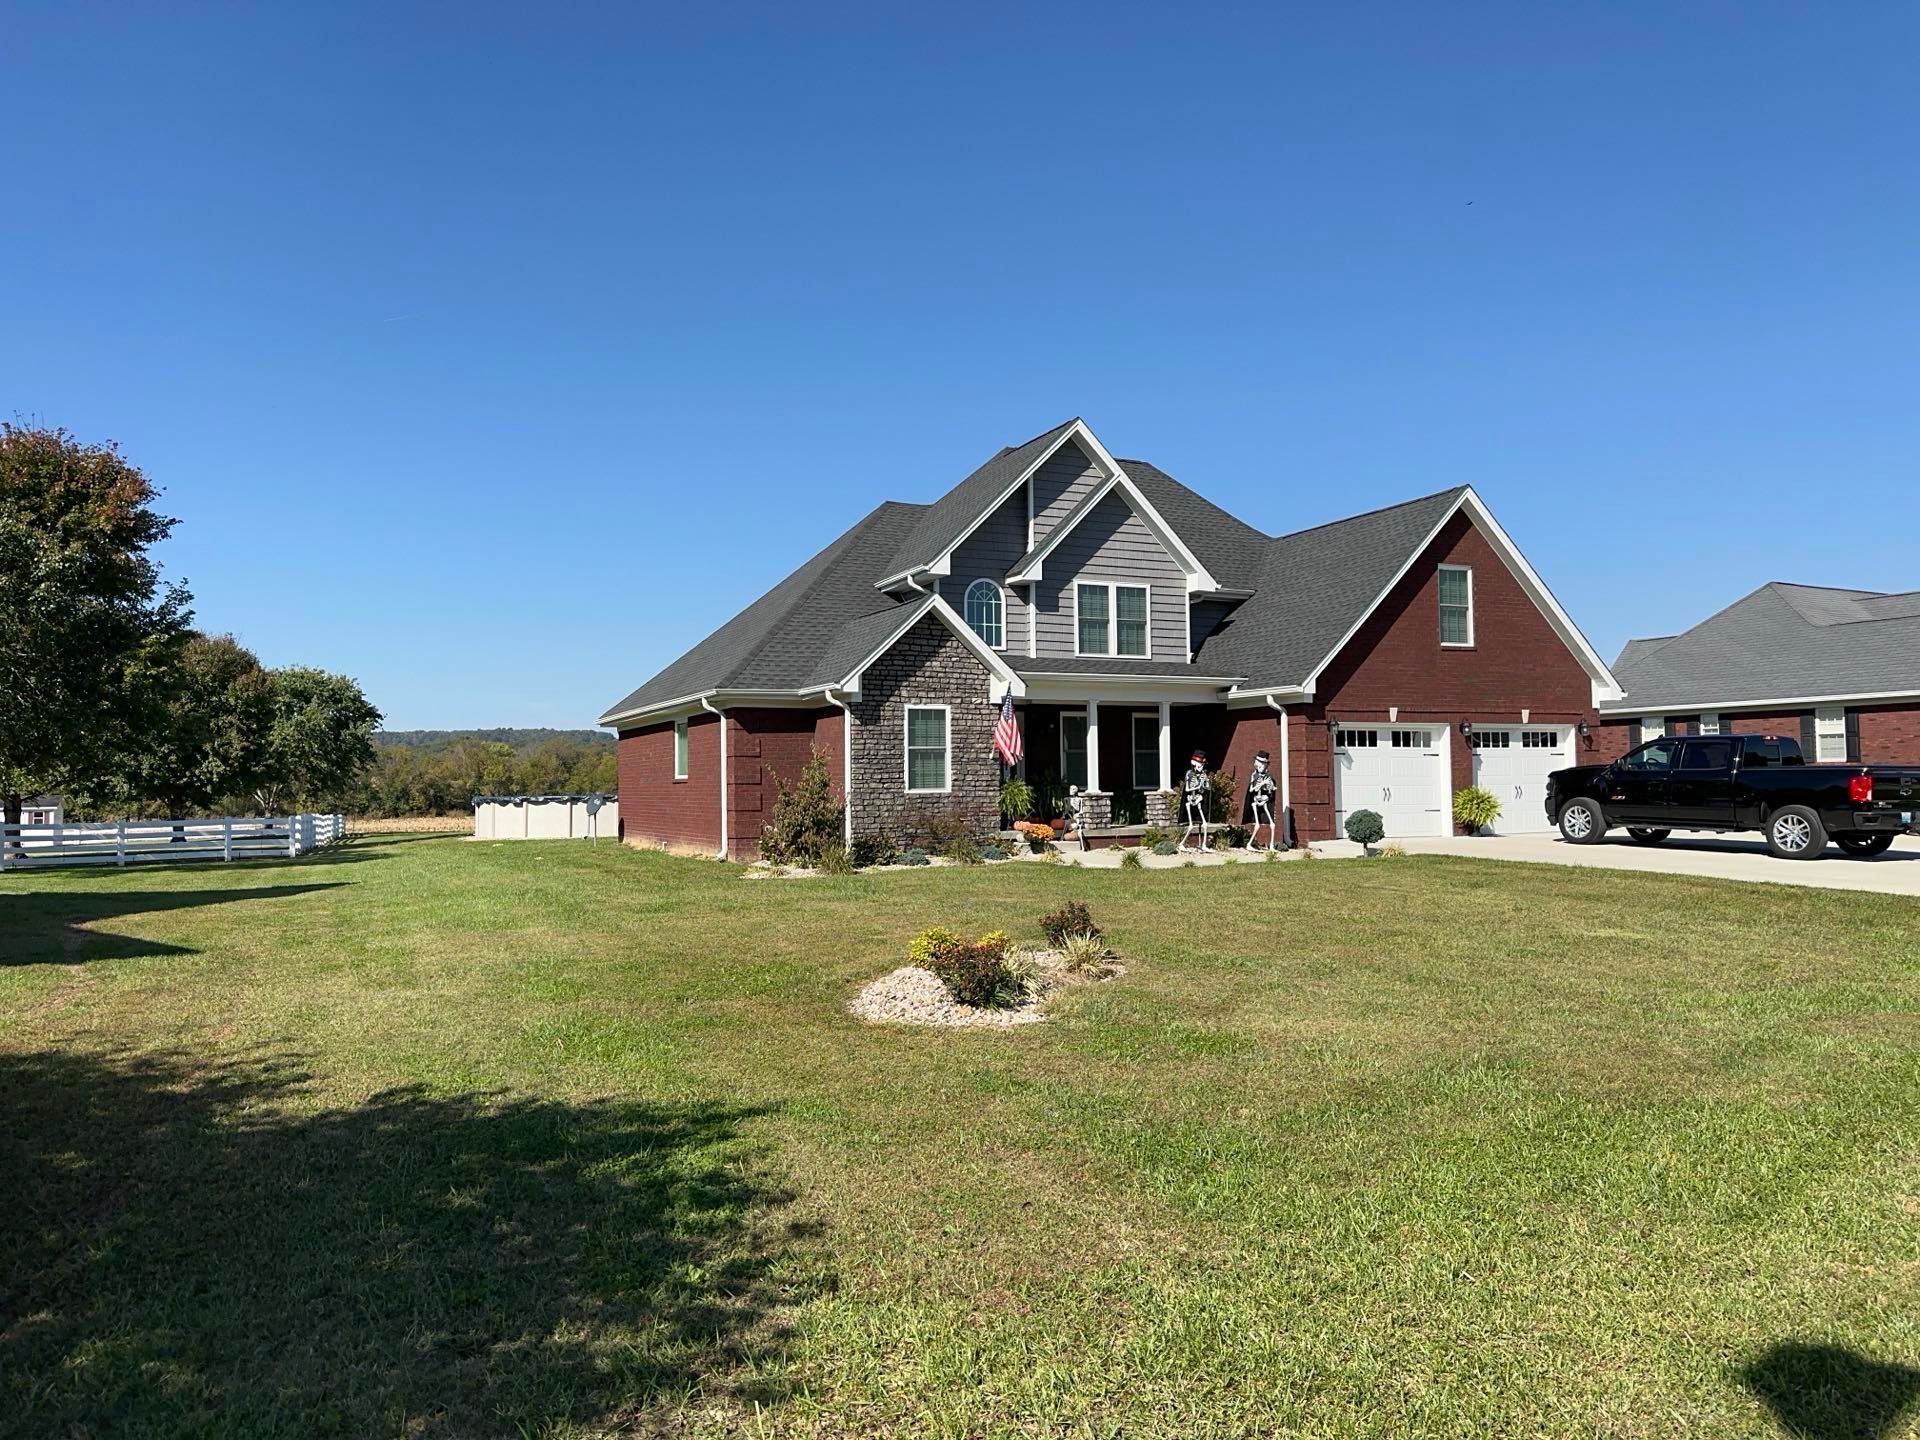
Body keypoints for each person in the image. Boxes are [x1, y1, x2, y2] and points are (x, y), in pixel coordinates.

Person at [1178, 750, 1212, 853]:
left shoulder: (1203, 775)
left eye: (1201, 765)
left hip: (1198, 799)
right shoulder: (1189, 773)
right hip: (1190, 800)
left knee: (1205, 824)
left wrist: (1206, 783)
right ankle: (1181, 844)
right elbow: (1187, 789)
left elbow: (1207, 788)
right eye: (1199, 765)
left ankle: (1204, 845)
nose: (1200, 767)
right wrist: (1198, 785)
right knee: (1191, 825)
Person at [1247, 749, 1278, 853]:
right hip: (1255, 802)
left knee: (1272, 824)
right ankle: (1249, 844)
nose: (1261, 766)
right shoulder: (1254, 775)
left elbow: (1272, 789)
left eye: (1263, 764)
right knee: (1257, 825)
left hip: (1264, 800)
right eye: (1259, 763)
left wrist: (1269, 786)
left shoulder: (1268, 777)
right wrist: (1261, 783)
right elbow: (1252, 789)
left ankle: (1272, 846)